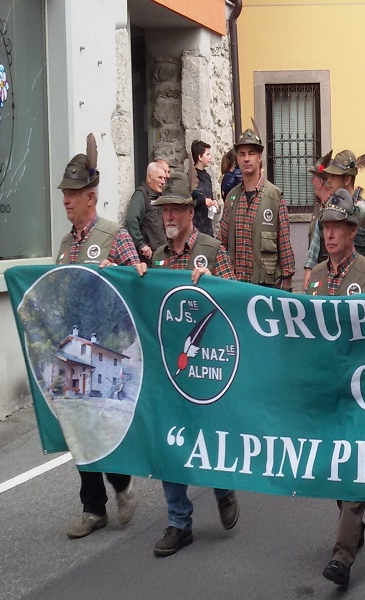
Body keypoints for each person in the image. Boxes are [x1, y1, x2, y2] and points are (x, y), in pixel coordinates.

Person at [56, 134, 145, 539]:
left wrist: (121, 273)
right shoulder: (63, 246)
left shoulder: (114, 235)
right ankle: (93, 509)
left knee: (102, 428)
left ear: (90, 197)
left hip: (106, 350)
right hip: (72, 352)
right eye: (64, 194)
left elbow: (138, 285)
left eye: (72, 194)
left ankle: (122, 484)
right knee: (79, 430)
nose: (66, 200)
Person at [148, 173, 240, 557]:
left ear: (190, 211)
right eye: (163, 208)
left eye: (174, 208)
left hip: (206, 363)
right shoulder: (156, 257)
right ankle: (178, 522)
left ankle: (222, 487)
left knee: (206, 434)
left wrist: (213, 282)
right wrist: (138, 279)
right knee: (170, 439)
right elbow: (149, 309)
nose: (167, 214)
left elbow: (234, 300)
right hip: (171, 365)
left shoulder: (212, 249)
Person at [305, 188, 365, 588]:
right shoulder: (317, 278)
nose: (330, 234)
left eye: (337, 226)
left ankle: (342, 556)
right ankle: (353, 523)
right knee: (336, 464)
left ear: (353, 231)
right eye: (326, 227)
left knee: (353, 463)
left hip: (362, 386)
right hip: (326, 384)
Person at [219, 126, 295, 290]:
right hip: (235, 284)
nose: (246, 158)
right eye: (242, 154)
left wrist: (287, 281)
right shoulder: (231, 198)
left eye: (251, 153)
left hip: (265, 286)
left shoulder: (275, 196)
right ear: (237, 159)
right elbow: (222, 241)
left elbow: (284, 241)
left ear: (259, 157)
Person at [303, 149, 365, 287]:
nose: (328, 180)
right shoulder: (324, 213)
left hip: (359, 289)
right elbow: (311, 260)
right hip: (328, 288)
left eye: (334, 176)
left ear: (347, 179)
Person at [124, 161, 167, 264]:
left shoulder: (160, 197)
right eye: (160, 178)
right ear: (149, 178)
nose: (163, 182)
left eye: (164, 179)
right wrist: (141, 245)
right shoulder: (141, 195)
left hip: (162, 253)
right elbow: (131, 220)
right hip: (149, 256)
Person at [191, 140, 216, 236]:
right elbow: (189, 200)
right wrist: (203, 200)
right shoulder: (191, 177)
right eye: (208, 154)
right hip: (196, 225)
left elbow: (210, 195)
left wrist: (214, 202)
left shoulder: (207, 176)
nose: (210, 158)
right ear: (200, 157)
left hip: (207, 224)